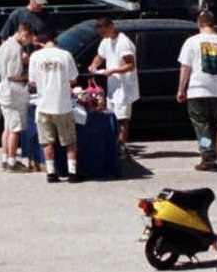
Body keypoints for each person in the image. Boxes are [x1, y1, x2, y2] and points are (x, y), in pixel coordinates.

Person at [176, 10, 217, 171]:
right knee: (213, 125)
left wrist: (181, 89)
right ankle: (209, 153)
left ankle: (208, 156)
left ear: (199, 24)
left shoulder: (191, 42)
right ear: (213, 24)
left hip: (197, 90)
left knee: (201, 126)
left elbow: (185, 67)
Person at [27, 29, 83, 183]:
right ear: (54, 40)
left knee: (47, 141)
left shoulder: (35, 57)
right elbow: (73, 79)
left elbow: (32, 81)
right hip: (62, 105)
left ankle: (51, 172)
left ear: (40, 42)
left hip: (43, 104)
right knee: (69, 141)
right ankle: (72, 172)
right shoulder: (65, 55)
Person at [89, 17, 140, 153]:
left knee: (122, 117)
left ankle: (122, 146)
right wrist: (94, 64)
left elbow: (131, 64)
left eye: (104, 32)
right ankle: (114, 143)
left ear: (111, 27)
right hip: (113, 85)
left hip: (124, 86)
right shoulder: (106, 41)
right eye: (101, 33)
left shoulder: (123, 43)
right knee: (111, 114)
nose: (103, 36)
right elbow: (100, 56)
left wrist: (114, 70)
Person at [0, 21, 35, 172]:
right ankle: (12, 161)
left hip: (4, 89)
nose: (29, 43)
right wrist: (27, 76)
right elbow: (13, 75)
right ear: (25, 34)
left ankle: (5, 158)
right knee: (15, 128)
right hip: (13, 91)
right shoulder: (15, 48)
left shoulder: (4, 45)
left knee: (7, 126)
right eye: (30, 39)